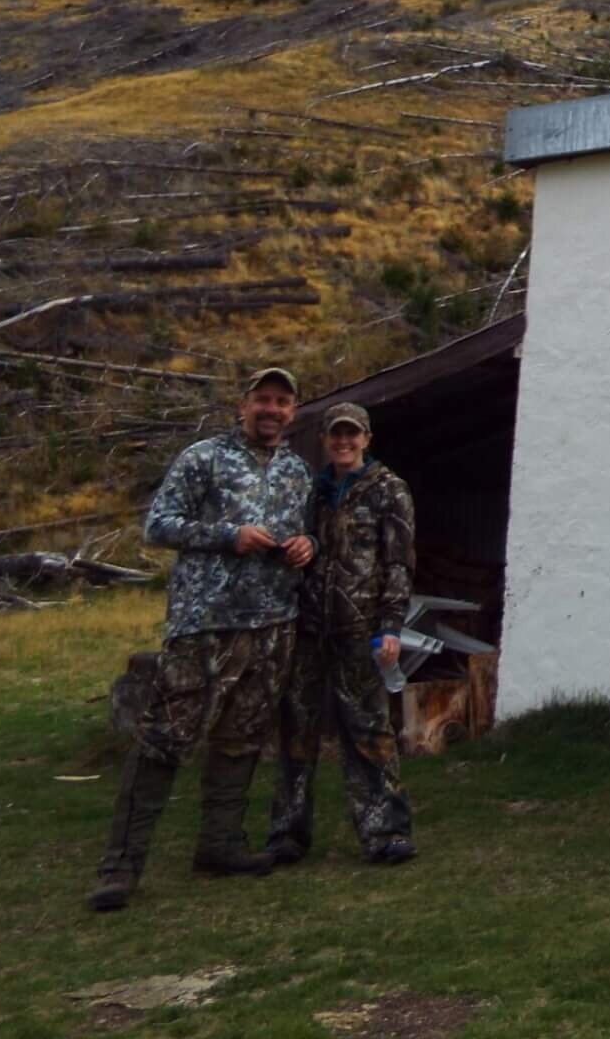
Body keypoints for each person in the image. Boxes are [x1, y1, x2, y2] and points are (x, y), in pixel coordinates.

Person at [88, 366, 316, 912]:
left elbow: (306, 529)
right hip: (205, 624)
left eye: (282, 402)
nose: (272, 409)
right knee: (165, 737)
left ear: (292, 412)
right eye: (262, 399)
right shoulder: (203, 458)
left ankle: (220, 845)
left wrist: (307, 545)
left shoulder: (297, 470)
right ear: (243, 405)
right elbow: (158, 525)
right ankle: (120, 866)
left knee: (241, 738)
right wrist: (226, 536)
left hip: (272, 623)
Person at [268, 400, 418, 865]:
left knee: (370, 731)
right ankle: (288, 833)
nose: (344, 441)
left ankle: (384, 832)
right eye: (336, 433)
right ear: (325, 439)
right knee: (296, 729)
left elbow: (399, 564)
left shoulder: (390, 490)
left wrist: (390, 626)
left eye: (352, 434)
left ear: (367, 439)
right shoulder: (310, 491)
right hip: (309, 627)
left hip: (361, 629)